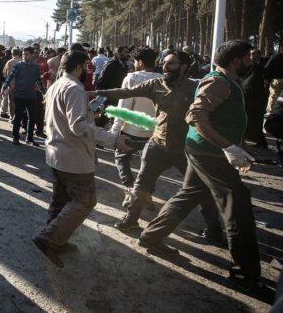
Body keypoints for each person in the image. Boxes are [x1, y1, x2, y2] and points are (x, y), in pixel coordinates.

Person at [138, 40, 264, 296]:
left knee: (189, 194)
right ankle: (244, 273)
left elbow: (222, 118)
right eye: (248, 58)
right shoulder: (217, 81)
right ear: (235, 61)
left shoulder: (227, 81)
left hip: (207, 150)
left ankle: (151, 235)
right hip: (210, 153)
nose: (252, 62)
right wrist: (228, 147)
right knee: (236, 204)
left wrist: (238, 146)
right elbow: (196, 116)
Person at [93, 51, 223, 239]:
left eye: (171, 63)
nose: (165, 66)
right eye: (164, 62)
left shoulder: (194, 88)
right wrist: (97, 92)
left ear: (184, 67)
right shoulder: (156, 84)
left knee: (200, 187)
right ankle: (131, 220)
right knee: (142, 184)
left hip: (184, 148)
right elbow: (126, 93)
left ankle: (214, 229)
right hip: (157, 144)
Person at [33, 51, 131, 268]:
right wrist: (112, 139)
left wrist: (89, 113)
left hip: (57, 154)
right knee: (84, 200)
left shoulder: (57, 85)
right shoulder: (75, 89)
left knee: (61, 200)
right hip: (72, 157)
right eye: (86, 67)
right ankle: (49, 238)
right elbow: (78, 126)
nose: (88, 72)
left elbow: (65, 118)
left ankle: (57, 240)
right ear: (78, 68)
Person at [107, 47, 161, 204]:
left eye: (135, 61)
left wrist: (114, 132)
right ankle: (147, 194)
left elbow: (123, 108)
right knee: (150, 165)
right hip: (153, 131)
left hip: (130, 131)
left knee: (121, 157)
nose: (133, 64)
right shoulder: (162, 79)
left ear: (141, 62)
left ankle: (130, 189)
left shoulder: (132, 78)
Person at [3, 46, 45, 146]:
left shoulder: (35, 67)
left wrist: (44, 93)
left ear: (31, 55)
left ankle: (29, 138)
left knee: (32, 117)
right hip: (19, 95)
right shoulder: (18, 65)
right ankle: (15, 137)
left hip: (31, 95)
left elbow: (39, 82)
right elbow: (10, 77)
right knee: (18, 117)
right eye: (23, 54)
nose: (25, 56)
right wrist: (3, 88)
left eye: (27, 54)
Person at [241, 48, 268, 148]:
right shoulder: (249, 67)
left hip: (254, 100)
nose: (252, 56)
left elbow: (251, 84)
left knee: (254, 122)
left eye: (254, 54)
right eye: (250, 54)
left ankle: (260, 142)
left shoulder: (258, 68)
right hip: (251, 99)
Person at [0, 48, 22, 120]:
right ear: (19, 53)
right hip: (21, 86)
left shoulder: (9, 62)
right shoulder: (23, 62)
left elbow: (5, 75)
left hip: (11, 85)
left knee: (11, 102)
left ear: (12, 54)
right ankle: (18, 118)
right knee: (20, 103)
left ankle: (12, 117)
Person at [264, 51, 283, 116]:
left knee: (273, 97)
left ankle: (270, 113)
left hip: (276, 80)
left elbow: (267, 67)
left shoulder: (274, 57)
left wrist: (266, 78)